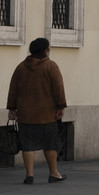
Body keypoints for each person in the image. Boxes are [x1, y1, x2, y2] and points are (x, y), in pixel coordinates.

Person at [6, 38, 67, 184]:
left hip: (25, 114)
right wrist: (61, 106)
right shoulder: (51, 66)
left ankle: (30, 175)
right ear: (46, 51)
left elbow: (13, 89)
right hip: (47, 114)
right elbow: (58, 88)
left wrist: (11, 108)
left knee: (27, 145)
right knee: (50, 144)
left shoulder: (21, 67)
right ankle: (53, 174)